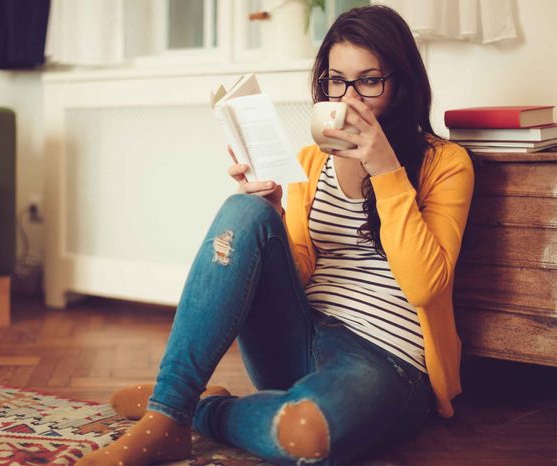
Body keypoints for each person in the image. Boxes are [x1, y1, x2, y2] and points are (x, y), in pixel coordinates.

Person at [78, 4, 474, 465]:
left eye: (369, 81)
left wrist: (384, 167)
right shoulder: (312, 162)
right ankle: (168, 416)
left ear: (401, 84)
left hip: (385, 359)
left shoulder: (445, 163)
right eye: (336, 80)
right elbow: (302, 270)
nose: (349, 100)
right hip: (297, 336)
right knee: (245, 209)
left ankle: (195, 407)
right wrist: (273, 220)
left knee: (305, 435)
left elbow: (426, 285)